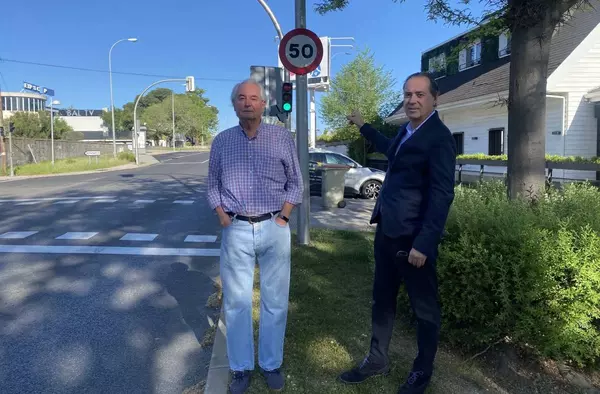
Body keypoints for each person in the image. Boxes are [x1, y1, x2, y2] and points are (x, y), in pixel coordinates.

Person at [340, 72, 456, 394]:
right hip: (388, 234)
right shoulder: (406, 132)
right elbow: (390, 149)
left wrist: (424, 243)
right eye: (408, 94)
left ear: (434, 98)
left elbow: (442, 195)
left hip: (414, 241)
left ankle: (422, 371)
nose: (412, 100)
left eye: (419, 94)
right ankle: (377, 359)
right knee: (382, 300)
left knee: (425, 309)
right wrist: (363, 126)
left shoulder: (439, 138)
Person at [207, 79, 303, 394]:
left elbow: (296, 181)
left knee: (275, 300)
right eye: (241, 98)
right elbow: (212, 185)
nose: (248, 103)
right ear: (234, 105)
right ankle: (241, 368)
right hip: (235, 228)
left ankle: (271, 364)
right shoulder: (221, 141)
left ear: (263, 104)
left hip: (274, 226)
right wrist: (222, 215)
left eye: (254, 98)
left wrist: (285, 216)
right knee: (236, 303)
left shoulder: (280, 138)